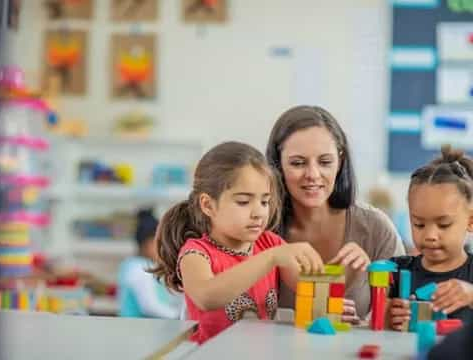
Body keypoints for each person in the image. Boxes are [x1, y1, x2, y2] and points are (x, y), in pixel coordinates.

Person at [152, 141, 323, 344]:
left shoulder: (270, 244)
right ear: (208, 205)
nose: (258, 212)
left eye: (264, 201)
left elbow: (310, 288)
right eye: (243, 201)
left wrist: (330, 301)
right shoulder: (196, 253)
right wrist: (270, 259)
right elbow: (207, 297)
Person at [265, 105, 405, 320]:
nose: (313, 174)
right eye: (298, 163)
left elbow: (398, 319)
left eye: (325, 162)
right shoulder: (260, 232)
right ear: (277, 164)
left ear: (340, 161)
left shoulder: (376, 229)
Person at [388, 145, 473, 330]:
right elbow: (373, 324)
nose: (429, 236)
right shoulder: (395, 271)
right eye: (418, 224)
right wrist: (388, 316)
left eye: (443, 225)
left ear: (470, 221)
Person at [117, 208, 182, 318]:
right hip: (138, 330)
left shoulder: (133, 264)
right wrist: (179, 316)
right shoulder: (140, 269)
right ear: (147, 244)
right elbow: (150, 306)